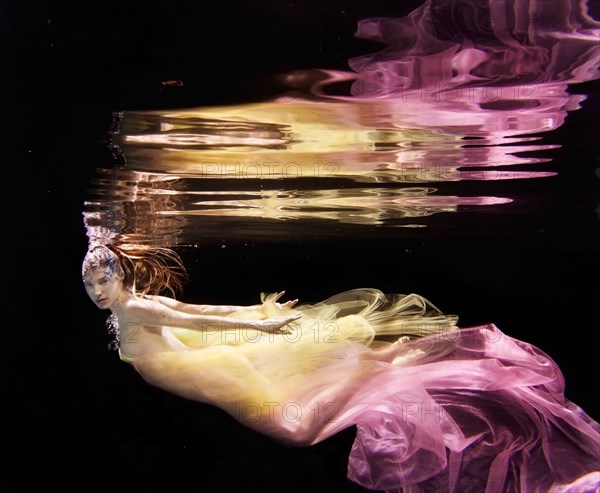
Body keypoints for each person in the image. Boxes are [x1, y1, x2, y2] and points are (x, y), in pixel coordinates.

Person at [82, 243, 600, 493]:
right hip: (194, 363)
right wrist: (258, 315)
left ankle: (370, 374)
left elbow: (188, 315)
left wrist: (261, 326)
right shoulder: (134, 302)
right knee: (294, 416)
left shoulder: (134, 306)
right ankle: (379, 364)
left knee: (296, 431)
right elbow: (200, 313)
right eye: (90, 287)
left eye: (103, 282)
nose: (97, 294)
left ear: (120, 279)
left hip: (197, 369)